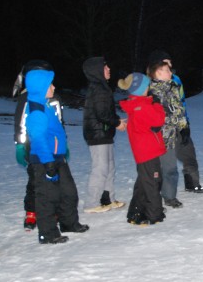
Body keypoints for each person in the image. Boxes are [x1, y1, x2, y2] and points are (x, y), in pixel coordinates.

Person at [25, 67, 89, 244]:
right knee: (47, 198)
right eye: (49, 84)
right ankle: (48, 233)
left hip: (58, 158)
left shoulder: (45, 106)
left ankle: (68, 223)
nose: (53, 87)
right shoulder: (36, 111)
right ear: (40, 87)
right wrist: (48, 163)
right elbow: (38, 139)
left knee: (69, 192)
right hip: (45, 161)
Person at [148, 50, 203, 193]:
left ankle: (192, 182)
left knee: (188, 152)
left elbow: (181, 102)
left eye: (170, 62)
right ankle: (161, 190)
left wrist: (185, 123)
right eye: (167, 63)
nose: (171, 65)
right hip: (164, 129)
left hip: (181, 122)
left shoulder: (176, 80)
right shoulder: (150, 85)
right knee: (165, 162)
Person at [13, 59, 60, 231]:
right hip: (33, 148)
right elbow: (21, 124)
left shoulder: (53, 97)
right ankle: (31, 211)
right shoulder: (26, 98)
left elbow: (59, 121)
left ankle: (53, 210)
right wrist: (20, 144)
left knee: (55, 180)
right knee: (35, 180)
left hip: (53, 147)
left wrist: (63, 145)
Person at [118, 73, 168, 224]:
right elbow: (159, 119)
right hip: (148, 151)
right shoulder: (142, 106)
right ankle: (154, 213)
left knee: (143, 182)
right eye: (147, 86)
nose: (149, 88)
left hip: (144, 151)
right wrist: (157, 104)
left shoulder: (137, 104)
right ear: (140, 89)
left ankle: (136, 211)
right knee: (153, 181)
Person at [82, 57, 127, 213]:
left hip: (104, 133)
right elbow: (102, 114)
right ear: (97, 71)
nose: (109, 69)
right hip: (97, 135)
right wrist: (117, 122)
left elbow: (105, 112)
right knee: (100, 168)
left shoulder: (101, 87)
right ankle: (91, 203)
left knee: (109, 168)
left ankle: (107, 199)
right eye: (105, 67)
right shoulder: (99, 88)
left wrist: (115, 120)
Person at [148, 58, 188, 208]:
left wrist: (184, 128)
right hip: (155, 137)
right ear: (158, 72)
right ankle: (152, 196)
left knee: (170, 168)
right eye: (167, 70)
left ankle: (170, 196)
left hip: (170, 135)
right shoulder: (150, 90)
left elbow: (179, 108)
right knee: (154, 170)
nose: (170, 72)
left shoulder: (173, 86)